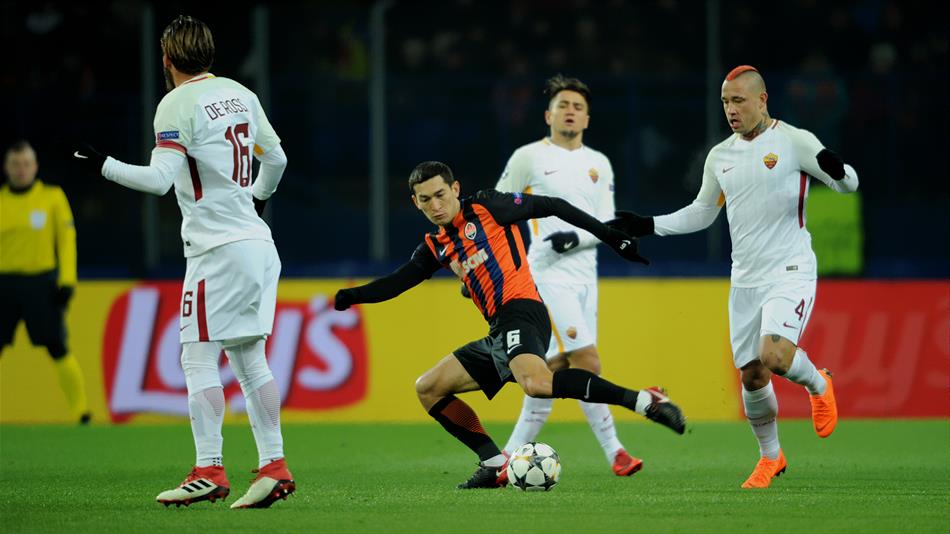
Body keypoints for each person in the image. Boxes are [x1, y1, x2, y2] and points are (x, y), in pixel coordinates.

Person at [333, 161, 686, 490]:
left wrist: (610, 236)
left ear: (455, 189)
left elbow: (553, 205)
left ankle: (645, 401)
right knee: (428, 389)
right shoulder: (435, 246)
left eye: (440, 194)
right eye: (425, 200)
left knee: (536, 384)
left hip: (523, 310)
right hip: (498, 332)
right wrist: (352, 295)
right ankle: (492, 462)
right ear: (416, 203)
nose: (436, 206)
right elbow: (396, 283)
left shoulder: (488, 207)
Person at [73, 15, 294, 508]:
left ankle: (209, 469)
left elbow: (158, 180)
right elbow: (276, 159)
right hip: (258, 244)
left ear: (167, 59)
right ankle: (273, 466)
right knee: (249, 359)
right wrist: (256, 199)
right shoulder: (239, 93)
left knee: (196, 356)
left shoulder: (176, 103)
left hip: (216, 251)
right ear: (209, 54)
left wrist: (102, 165)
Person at [608, 65, 856, 489]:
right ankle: (771, 458)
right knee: (753, 376)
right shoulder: (720, 156)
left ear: (762, 100)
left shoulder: (794, 141)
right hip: (745, 279)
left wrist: (839, 170)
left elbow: (847, 185)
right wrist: (648, 225)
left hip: (789, 268)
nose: (730, 109)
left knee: (775, 356)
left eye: (738, 100)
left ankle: (819, 384)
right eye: (725, 102)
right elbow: (702, 213)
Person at [495, 75, 642, 477]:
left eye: (578, 107)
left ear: (588, 119)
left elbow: (609, 224)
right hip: (546, 276)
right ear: (548, 115)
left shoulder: (599, 163)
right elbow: (496, 211)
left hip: (586, 279)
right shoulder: (528, 157)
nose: (571, 112)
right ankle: (616, 451)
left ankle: (504, 459)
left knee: (551, 372)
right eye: (563, 105)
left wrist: (574, 238)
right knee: (587, 361)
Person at [1, 140, 91, 425]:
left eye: (26, 164)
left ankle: (81, 412)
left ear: (35, 166)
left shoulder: (52, 197)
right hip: (3, 285)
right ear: (6, 168)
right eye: (15, 164)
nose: (21, 169)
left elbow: (66, 240)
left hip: (40, 284)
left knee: (57, 347)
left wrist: (67, 280)